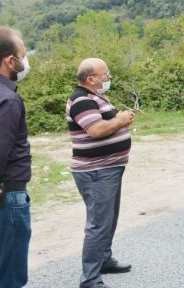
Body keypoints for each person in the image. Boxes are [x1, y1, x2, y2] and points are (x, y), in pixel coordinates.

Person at [66, 58, 134, 288]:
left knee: (108, 219)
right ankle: (90, 279)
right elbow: (95, 130)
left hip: (108, 168)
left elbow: (107, 123)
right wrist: (120, 120)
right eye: (105, 74)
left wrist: (120, 121)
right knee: (98, 224)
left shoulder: (95, 97)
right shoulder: (81, 100)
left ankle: (104, 260)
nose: (109, 78)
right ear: (90, 79)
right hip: (96, 171)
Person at [0, 27, 32, 288]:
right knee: (6, 279)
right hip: (1, 199)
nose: (24, 63)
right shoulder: (6, 100)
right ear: (9, 61)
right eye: (22, 56)